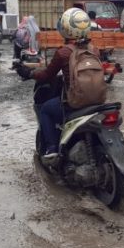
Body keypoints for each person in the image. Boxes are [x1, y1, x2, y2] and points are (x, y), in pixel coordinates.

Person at [15, 8, 100, 158]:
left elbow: (47, 75)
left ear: (66, 29)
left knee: (46, 110)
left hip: (75, 103)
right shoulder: (94, 50)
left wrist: (29, 73)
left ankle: (52, 148)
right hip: (97, 101)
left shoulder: (63, 52)